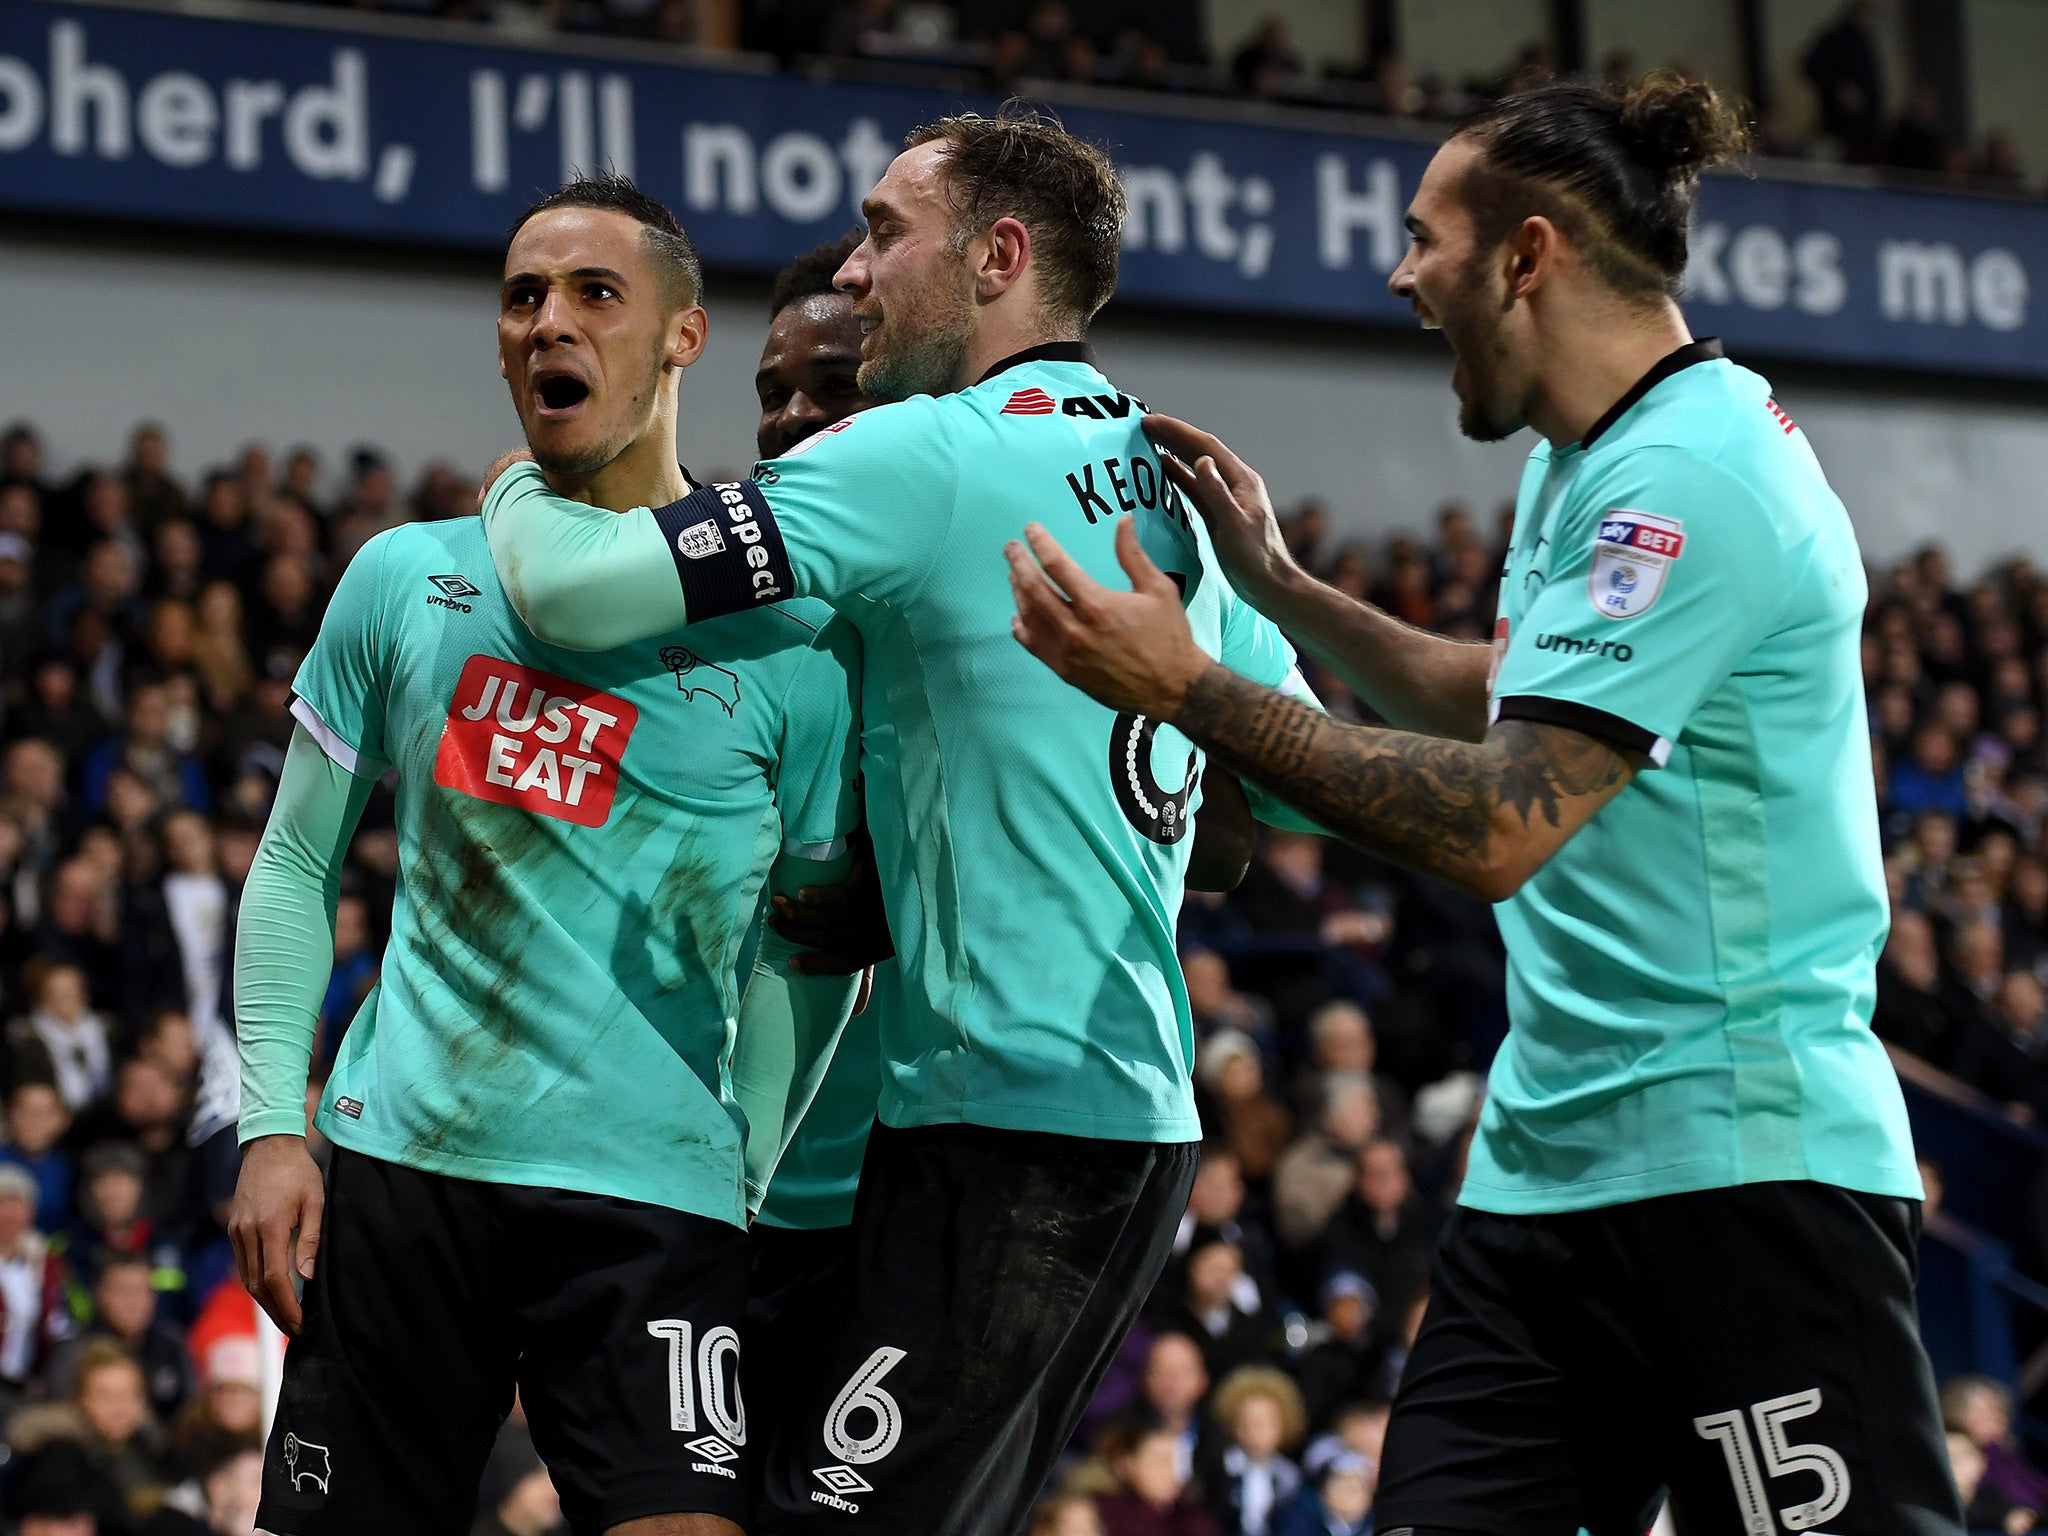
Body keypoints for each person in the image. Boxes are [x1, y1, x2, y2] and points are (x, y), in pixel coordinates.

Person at [1006, 75, 1958, 1532]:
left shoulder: (1691, 475)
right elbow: (1519, 692)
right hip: (1547, 1172)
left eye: (1421, 238)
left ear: (1524, 256)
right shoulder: (1579, 457)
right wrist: (1286, 591)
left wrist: (1192, 688)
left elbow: (1505, 821)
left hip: (1741, 1174)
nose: (1397, 275)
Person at [478, 109, 1319, 1535]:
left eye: (882, 233)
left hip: (1006, 1129)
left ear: (997, 258)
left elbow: (576, 593)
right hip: (1118, 1118)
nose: (860, 273)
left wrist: (517, 481)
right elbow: (1275, 795)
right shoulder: (1167, 483)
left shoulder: (926, 455)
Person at [227, 174, 865, 1536]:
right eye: (523, 297)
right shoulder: (405, 580)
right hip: (406, 1178)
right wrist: (273, 1125)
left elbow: (817, 948)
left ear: (683, 337)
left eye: (592, 294)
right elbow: (293, 864)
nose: (547, 324)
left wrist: (740, 1170)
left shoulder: (796, 650)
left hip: (650, 1210)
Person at [738, 231, 894, 1494]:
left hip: (906, 1209)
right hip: (725, 1204)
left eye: (831, 388)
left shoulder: (978, 611)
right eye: (771, 393)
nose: (790, 420)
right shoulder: (719, 617)